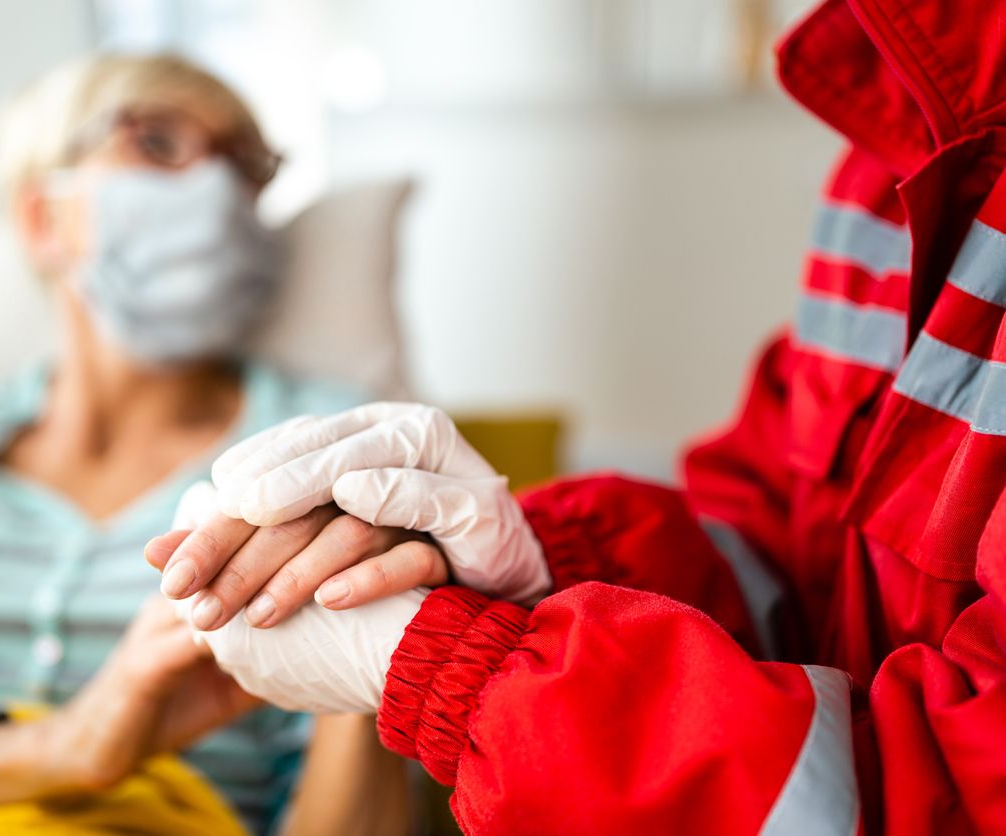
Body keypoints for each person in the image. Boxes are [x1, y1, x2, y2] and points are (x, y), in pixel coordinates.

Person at [144, 2, 1006, 832]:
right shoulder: (900, 125)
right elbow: (792, 562)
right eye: (151, 140)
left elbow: (955, 795)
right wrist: (537, 568)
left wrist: (470, 670)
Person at [0, 53, 415, 834]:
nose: (214, 191)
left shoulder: (331, 456)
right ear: (42, 217)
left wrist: (375, 648)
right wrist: (62, 750)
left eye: (245, 166)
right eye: (157, 144)